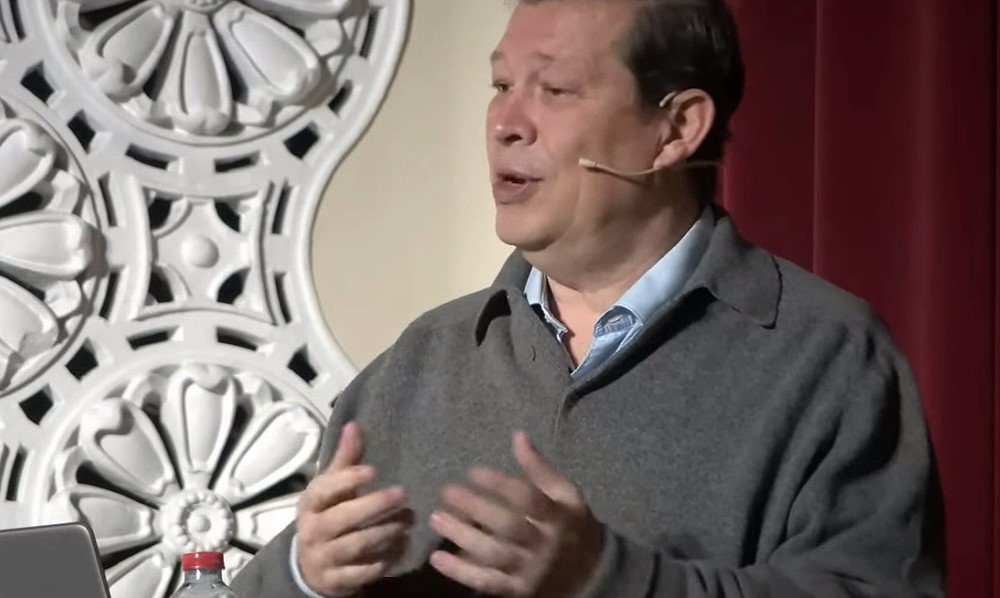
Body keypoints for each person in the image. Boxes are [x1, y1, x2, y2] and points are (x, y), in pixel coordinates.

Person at [232, 0, 944, 596]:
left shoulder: (829, 355)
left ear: (675, 129)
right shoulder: (424, 358)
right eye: (500, 85)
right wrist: (300, 577)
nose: (506, 123)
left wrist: (608, 579)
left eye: (554, 89)